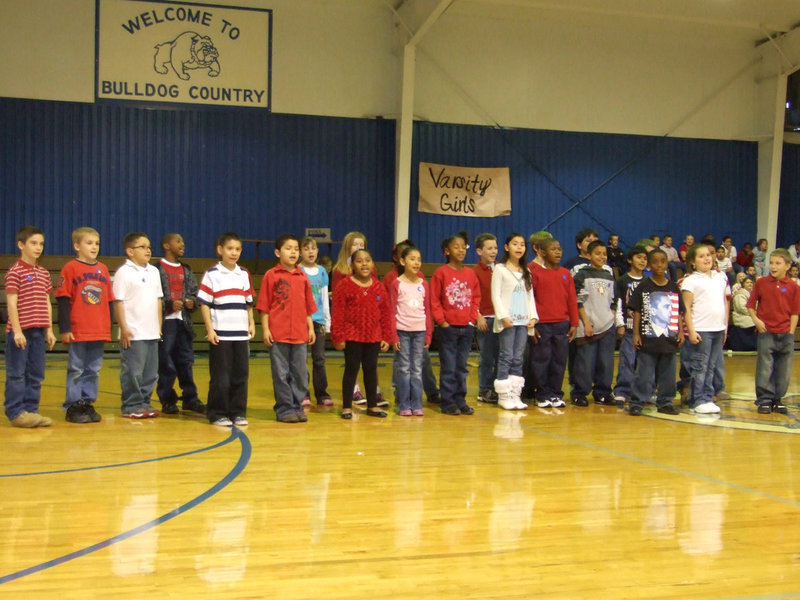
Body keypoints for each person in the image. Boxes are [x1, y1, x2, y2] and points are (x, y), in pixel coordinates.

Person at [56, 227, 114, 424]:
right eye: (89, 243)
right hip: (78, 329)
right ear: (76, 246)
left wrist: (108, 327)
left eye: (96, 243)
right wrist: (65, 329)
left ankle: (87, 402)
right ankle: (73, 404)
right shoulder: (70, 268)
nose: (94, 247)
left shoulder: (103, 269)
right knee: (76, 368)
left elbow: (109, 301)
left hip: (98, 329)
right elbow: (63, 300)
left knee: (93, 369)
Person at [257, 233, 317, 423]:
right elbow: (264, 306)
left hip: (300, 334)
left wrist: (311, 329)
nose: (293, 252)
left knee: (300, 373)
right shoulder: (271, 275)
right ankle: (284, 409)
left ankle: (297, 405)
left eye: (296, 249)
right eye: (288, 248)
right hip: (278, 334)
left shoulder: (302, 277)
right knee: (281, 374)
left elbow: (308, 307)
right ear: (277, 252)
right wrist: (266, 329)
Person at [198, 232, 255, 427]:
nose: (234, 253)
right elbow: (205, 304)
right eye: (230, 249)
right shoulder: (212, 274)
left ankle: (238, 412)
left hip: (240, 335)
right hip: (220, 334)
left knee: (240, 375)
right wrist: (210, 329)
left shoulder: (244, 274)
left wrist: (251, 323)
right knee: (221, 377)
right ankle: (217, 413)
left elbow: (248, 302)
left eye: (238, 249)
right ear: (220, 250)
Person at [331, 249, 396, 419]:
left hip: (373, 336)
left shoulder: (378, 286)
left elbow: (385, 314)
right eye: (359, 261)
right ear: (352, 265)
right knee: (351, 370)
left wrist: (387, 337)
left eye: (368, 260)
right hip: (352, 335)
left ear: (373, 264)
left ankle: (372, 405)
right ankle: (346, 407)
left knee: (371, 370)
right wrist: (338, 336)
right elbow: (338, 313)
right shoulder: (344, 286)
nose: (364, 263)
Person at [4, 225, 56, 427]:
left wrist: (49, 329)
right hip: (21, 332)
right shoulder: (15, 272)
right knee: (17, 373)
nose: (38, 247)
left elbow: (46, 302)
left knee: (35, 373)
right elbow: (11, 303)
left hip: (38, 331)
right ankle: (16, 412)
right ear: (21, 245)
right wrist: (17, 331)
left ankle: (31, 410)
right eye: (33, 243)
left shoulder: (43, 273)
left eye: (41, 243)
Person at [627, 249, 684, 416]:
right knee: (644, 374)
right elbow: (637, 311)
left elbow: (678, 311)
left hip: (669, 339)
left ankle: (665, 401)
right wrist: (636, 334)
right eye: (655, 262)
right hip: (648, 339)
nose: (659, 265)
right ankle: (637, 401)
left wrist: (680, 331)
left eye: (663, 261)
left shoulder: (673, 287)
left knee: (668, 374)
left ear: (667, 264)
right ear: (649, 265)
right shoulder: (644, 286)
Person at [113, 232, 163, 419]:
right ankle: (131, 404)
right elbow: (119, 302)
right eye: (142, 247)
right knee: (133, 371)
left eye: (149, 246)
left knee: (151, 373)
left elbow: (158, 300)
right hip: (134, 332)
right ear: (130, 251)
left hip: (151, 332)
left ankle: (144, 402)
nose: (148, 250)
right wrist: (124, 328)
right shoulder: (123, 272)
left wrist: (158, 325)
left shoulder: (154, 271)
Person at [431, 233, 481, 415]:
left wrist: (472, 318)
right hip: (448, 328)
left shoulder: (470, 273)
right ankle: (448, 401)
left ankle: (460, 400)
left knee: (462, 367)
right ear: (446, 251)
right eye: (456, 247)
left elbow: (476, 297)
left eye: (463, 247)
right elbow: (434, 299)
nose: (460, 250)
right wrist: (442, 321)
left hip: (466, 327)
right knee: (449, 366)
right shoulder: (441, 273)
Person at [156, 233, 205, 415]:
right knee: (166, 362)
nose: (182, 244)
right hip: (165, 323)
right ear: (166, 246)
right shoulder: (157, 269)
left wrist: (191, 302)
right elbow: (155, 296)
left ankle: (190, 398)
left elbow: (193, 292)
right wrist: (168, 304)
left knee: (186, 361)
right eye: (178, 241)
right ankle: (168, 400)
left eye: (183, 241)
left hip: (183, 322)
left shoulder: (187, 269)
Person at [746, 248, 800, 414]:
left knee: (784, 369)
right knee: (765, 367)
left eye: (778, 263)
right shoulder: (761, 283)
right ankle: (764, 399)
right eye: (771, 263)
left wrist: (791, 332)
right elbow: (750, 305)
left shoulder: (793, 286)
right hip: (766, 332)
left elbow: (794, 312)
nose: (773, 266)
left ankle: (778, 398)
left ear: (787, 266)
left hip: (786, 334)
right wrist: (757, 321)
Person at [681, 244, 730, 414]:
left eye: (708, 255)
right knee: (700, 366)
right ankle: (697, 399)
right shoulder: (690, 280)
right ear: (693, 262)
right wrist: (692, 331)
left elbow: (724, 302)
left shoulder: (720, 277)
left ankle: (707, 396)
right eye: (701, 256)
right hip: (702, 328)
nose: (707, 258)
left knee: (711, 365)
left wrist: (725, 327)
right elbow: (686, 308)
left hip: (718, 328)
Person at [491, 233, 538, 410]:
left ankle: (515, 394)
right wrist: (503, 316)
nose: (519, 247)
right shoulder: (500, 269)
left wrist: (533, 316)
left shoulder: (527, 271)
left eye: (522, 244)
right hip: (508, 320)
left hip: (523, 320)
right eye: (515, 244)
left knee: (519, 358)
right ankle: (503, 395)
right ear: (506, 247)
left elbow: (530, 296)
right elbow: (495, 295)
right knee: (506, 356)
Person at [529, 238, 578, 408]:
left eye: (559, 249)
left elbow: (572, 299)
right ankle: (542, 394)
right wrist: (532, 324)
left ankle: (556, 394)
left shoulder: (565, 273)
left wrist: (574, 323)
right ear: (541, 252)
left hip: (562, 324)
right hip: (542, 324)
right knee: (542, 360)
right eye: (553, 249)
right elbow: (530, 299)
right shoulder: (535, 272)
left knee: (559, 360)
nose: (558, 252)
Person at [387, 246, 433, 416]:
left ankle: (417, 404)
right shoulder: (396, 284)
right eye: (412, 259)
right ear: (402, 261)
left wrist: (428, 334)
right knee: (404, 368)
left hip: (420, 332)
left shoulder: (424, 284)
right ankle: (404, 404)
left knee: (417, 369)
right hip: (403, 331)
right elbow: (392, 311)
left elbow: (427, 310)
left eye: (419, 259)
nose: (416, 263)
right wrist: (394, 336)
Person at [571, 240, 617, 406]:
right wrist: (586, 322)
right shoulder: (582, 274)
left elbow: (614, 299)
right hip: (588, 326)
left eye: (604, 254)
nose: (602, 257)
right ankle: (580, 392)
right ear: (589, 255)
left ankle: (603, 392)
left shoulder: (608, 274)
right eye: (598, 253)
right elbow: (577, 300)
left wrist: (611, 316)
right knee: (586, 362)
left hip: (607, 326)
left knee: (606, 362)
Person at [612, 245, 648, 406]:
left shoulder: (648, 282)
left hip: (646, 330)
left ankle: (643, 391)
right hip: (628, 328)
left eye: (645, 258)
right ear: (629, 260)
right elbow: (618, 304)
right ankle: (622, 390)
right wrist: (619, 324)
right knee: (627, 360)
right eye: (639, 257)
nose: (642, 260)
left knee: (645, 363)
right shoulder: (622, 281)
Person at [299, 236, 333, 407]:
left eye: (313, 248)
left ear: (317, 251)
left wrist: (328, 321)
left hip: (318, 320)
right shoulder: (298, 270)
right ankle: (303, 393)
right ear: (300, 252)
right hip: (302, 321)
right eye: (306, 249)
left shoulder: (322, 271)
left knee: (319, 358)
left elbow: (325, 298)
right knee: (301, 359)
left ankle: (322, 393)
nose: (310, 252)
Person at [472, 233, 499, 404]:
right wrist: (478, 316)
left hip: (501, 319)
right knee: (487, 357)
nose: (493, 251)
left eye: (495, 248)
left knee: (501, 357)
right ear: (479, 251)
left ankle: (498, 388)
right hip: (486, 320)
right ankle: (484, 389)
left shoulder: (501, 269)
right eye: (489, 248)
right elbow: (472, 297)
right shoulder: (474, 272)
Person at [728, 276, 756, 351]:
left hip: (751, 315)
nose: (750, 284)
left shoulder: (753, 294)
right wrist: (754, 314)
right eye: (747, 282)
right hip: (742, 316)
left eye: (751, 282)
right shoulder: (740, 294)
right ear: (743, 284)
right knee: (757, 323)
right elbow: (742, 308)